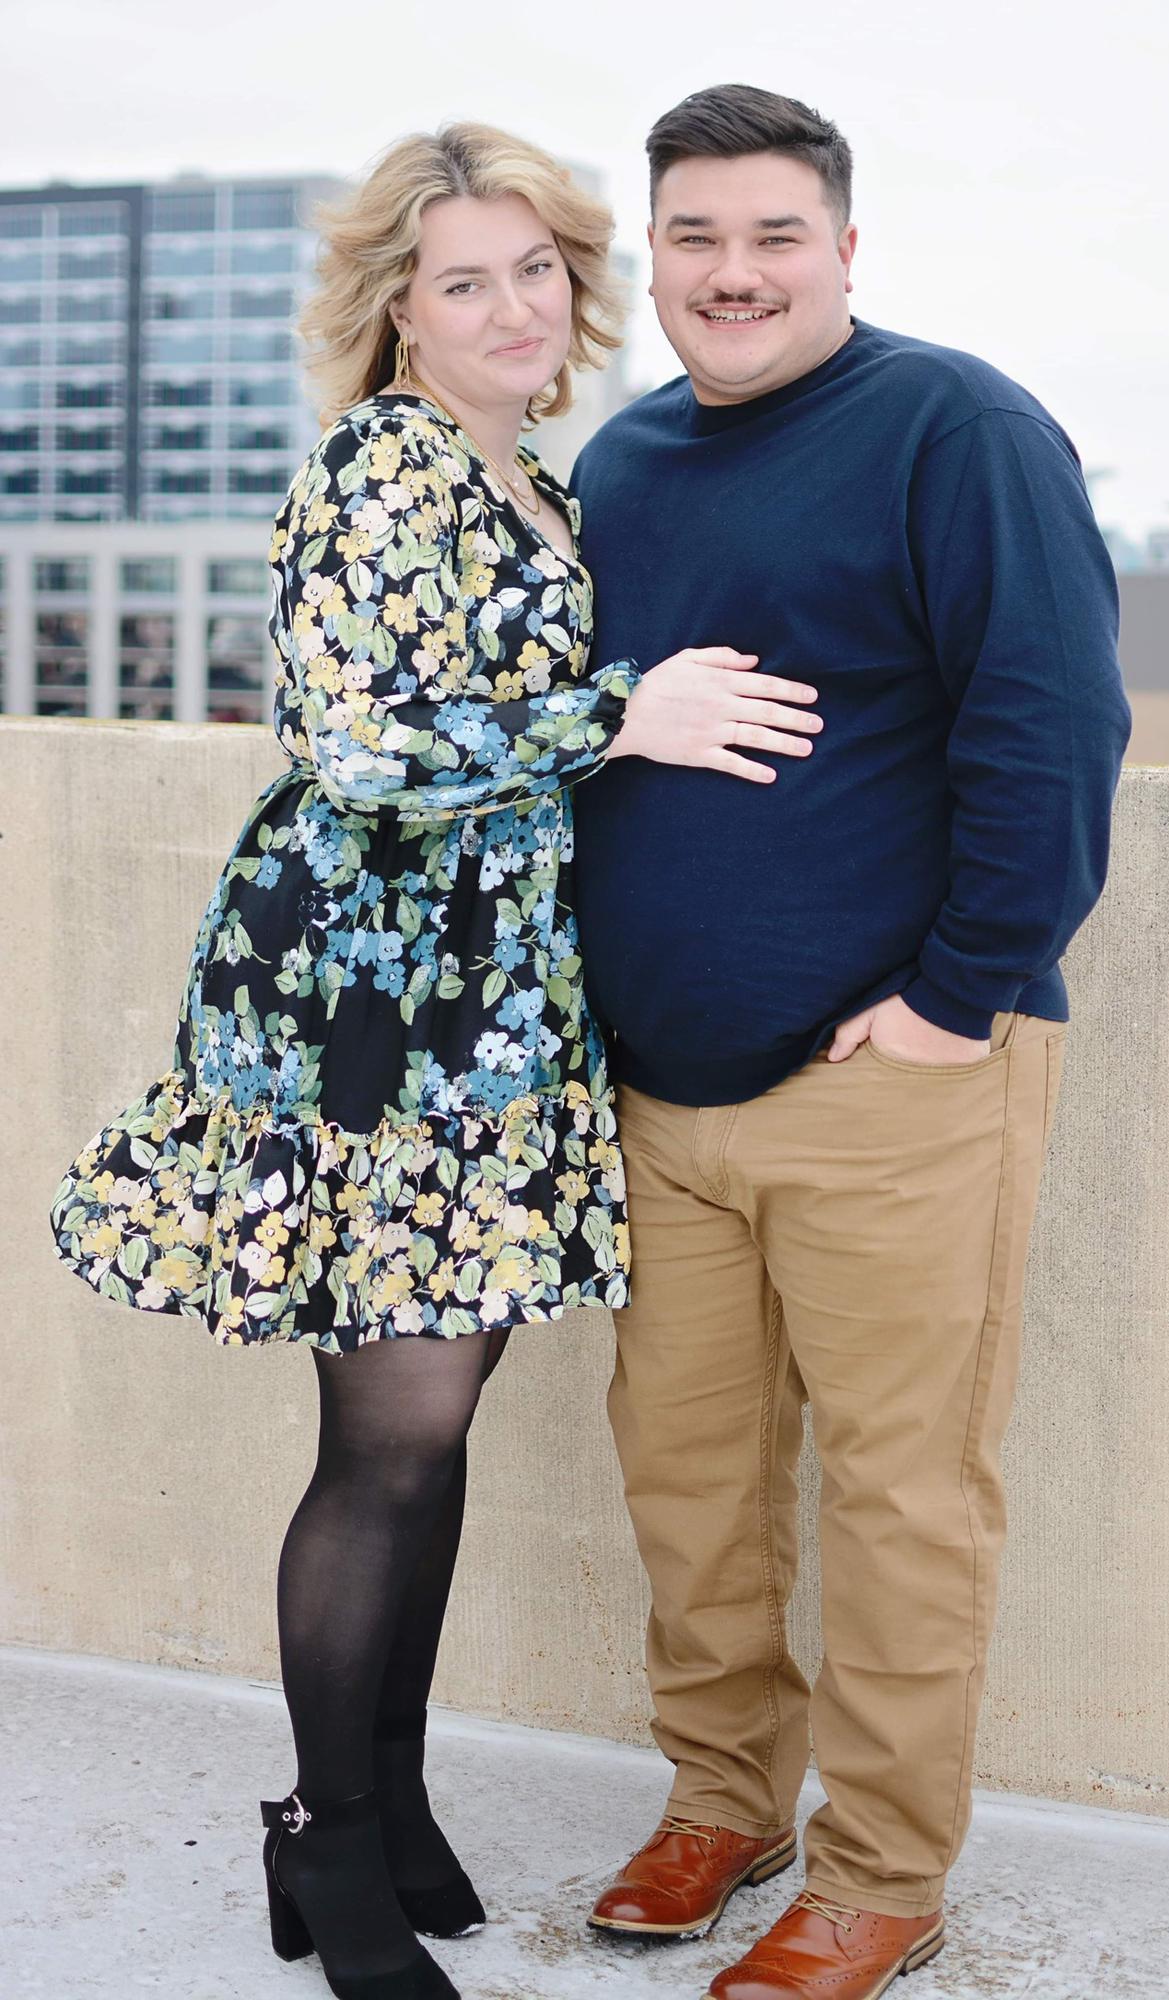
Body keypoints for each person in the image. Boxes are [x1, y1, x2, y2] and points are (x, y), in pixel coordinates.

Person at [47, 120, 822, 2000]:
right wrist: (619, 712)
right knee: (387, 1439)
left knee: (432, 1423)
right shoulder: (379, 462)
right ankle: (324, 1840)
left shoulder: (527, 470)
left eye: (534, 268)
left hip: (485, 998)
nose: (510, 306)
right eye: (463, 280)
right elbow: (356, 739)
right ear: (399, 307)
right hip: (366, 1007)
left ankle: (382, 1803)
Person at [571, 85, 1133, 1999]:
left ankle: (881, 1873)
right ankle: (720, 1798)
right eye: (695, 238)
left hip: (889, 1081)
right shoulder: (626, 456)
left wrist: (959, 999)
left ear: (841, 247)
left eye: (772, 236)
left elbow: (1050, 723)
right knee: (689, 1485)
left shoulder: (951, 427)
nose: (731, 274)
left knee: (901, 1499)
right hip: (660, 1089)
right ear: (657, 256)